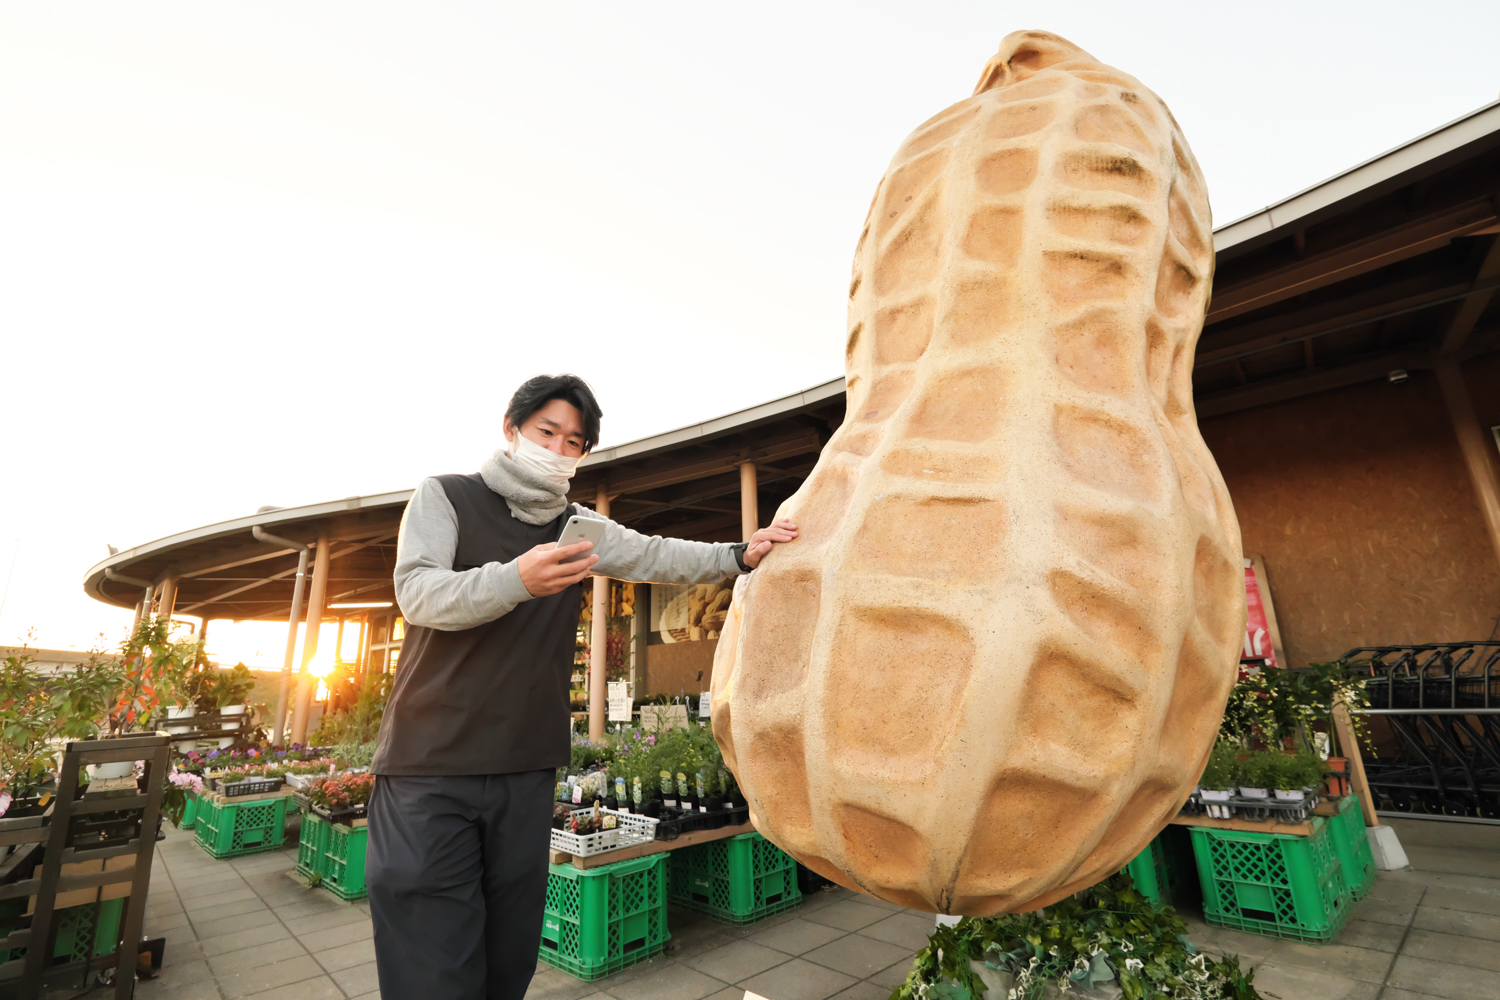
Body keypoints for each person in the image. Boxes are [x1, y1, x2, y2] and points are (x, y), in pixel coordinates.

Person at [366, 373, 797, 1000]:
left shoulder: (579, 528)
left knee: (507, 951)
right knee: (430, 954)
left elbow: (655, 555)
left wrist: (738, 554)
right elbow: (419, 594)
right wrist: (516, 579)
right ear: (512, 429)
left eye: (575, 442)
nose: (559, 450)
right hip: (429, 764)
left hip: (525, 764)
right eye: (547, 432)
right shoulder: (446, 497)